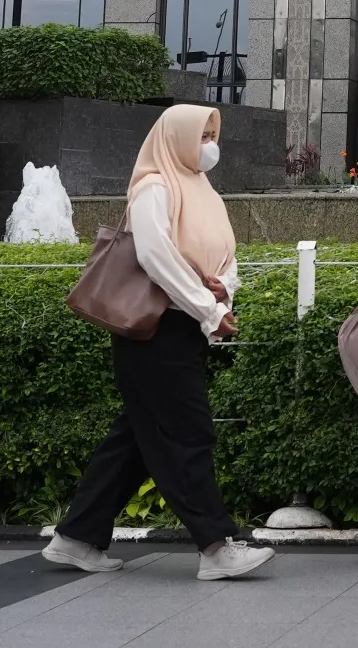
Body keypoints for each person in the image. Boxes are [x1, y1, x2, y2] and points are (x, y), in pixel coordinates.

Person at [44, 105, 276, 581]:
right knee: (187, 433)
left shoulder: (202, 189)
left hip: (180, 326)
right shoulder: (155, 186)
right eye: (202, 135)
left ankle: (77, 538)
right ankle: (215, 545)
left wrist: (223, 289)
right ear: (176, 138)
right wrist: (209, 308)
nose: (210, 144)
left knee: (135, 440)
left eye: (214, 134)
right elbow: (155, 256)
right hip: (154, 330)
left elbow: (226, 254)